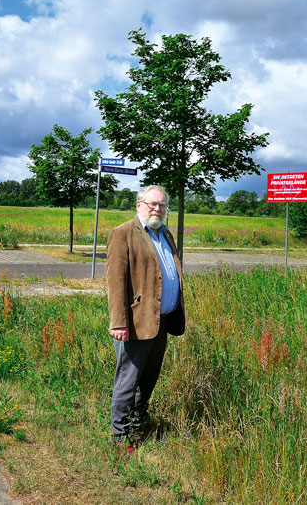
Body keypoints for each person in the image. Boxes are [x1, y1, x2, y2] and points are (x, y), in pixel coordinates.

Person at [106, 185, 185, 448]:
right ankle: (120, 436)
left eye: (162, 205)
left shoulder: (166, 234)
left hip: (161, 322)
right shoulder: (123, 234)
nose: (157, 209)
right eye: (152, 204)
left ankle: (140, 424)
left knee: (148, 380)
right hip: (136, 324)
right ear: (139, 204)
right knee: (128, 381)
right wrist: (119, 323)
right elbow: (116, 282)